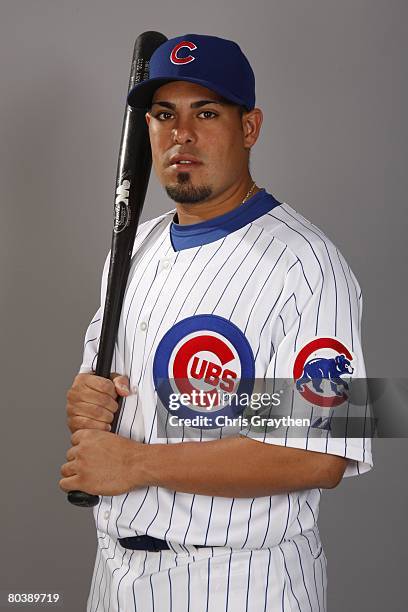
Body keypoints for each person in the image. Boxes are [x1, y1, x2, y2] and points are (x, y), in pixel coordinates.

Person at [59, 34, 373, 611]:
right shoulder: (136, 250)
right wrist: (88, 399)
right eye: (163, 115)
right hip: (115, 575)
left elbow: (320, 455)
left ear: (249, 127)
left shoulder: (308, 265)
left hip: (241, 582)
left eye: (206, 113)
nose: (182, 135)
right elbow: (106, 393)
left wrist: (135, 462)